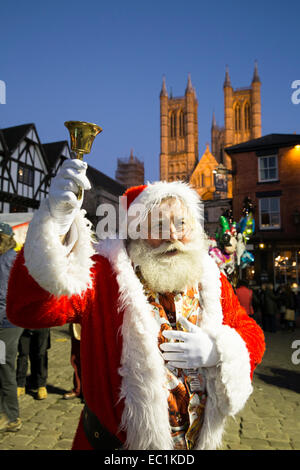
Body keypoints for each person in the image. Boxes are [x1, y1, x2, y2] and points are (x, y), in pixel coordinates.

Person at [7, 159, 265, 450]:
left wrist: (218, 350)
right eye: (158, 224)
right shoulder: (103, 273)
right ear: (135, 232)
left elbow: (250, 331)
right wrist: (53, 228)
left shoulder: (210, 277)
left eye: (181, 223)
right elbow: (26, 310)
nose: (172, 235)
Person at [0, 222, 23, 432]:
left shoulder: (12, 259)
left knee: (5, 365)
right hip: (5, 321)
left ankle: (12, 416)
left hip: (7, 324)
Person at [16, 327, 50, 400]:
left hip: (42, 323)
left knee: (41, 354)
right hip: (23, 324)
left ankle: (41, 385)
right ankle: (20, 384)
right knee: (23, 354)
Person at [63, 323, 82, 400]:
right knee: (76, 359)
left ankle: (91, 392)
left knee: (92, 360)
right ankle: (78, 389)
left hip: (95, 323)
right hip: (78, 325)